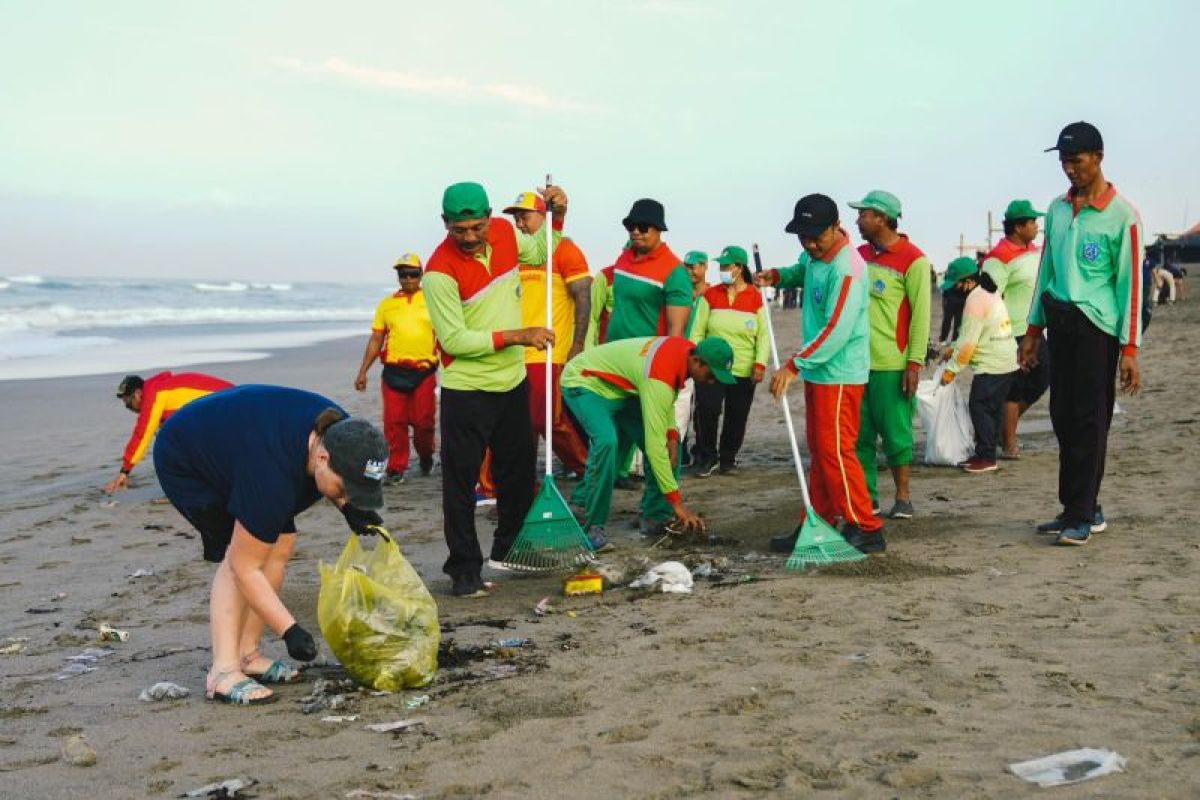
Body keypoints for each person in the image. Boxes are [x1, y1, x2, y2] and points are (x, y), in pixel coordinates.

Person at [153, 385, 389, 705]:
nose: (349, 493)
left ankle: (248, 654)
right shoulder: (271, 477)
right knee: (237, 559)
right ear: (321, 458)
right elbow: (243, 567)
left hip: (249, 445)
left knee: (280, 544)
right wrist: (288, 629)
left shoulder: (345, 435)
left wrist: (349, 507)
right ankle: (223, 671)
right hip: (188, 457)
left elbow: (336, 475)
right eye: (348, 489)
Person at [422, 181, 559, 597]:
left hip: (512, 382)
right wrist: (517, 336)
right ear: (445, 223)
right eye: (458, 229)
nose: (468, 237)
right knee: (460, 484)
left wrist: (555, 217)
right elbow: (454, 341)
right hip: (467, 390)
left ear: (487, 221)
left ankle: (512, 547)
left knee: (517, 474)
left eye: (476, 228)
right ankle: (464, 569)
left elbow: (539, 252)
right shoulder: (437, 273)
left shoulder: (504, 232)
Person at [1024, 121, 1143, 546]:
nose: (1069, 169)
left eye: (1076, 160)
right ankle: (1079, 506)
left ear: (1098, 158)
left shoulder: (1122, 215)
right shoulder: (1057, 210)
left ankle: (1082, 514)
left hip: (1097, 329)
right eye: (1063, 162)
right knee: (1062, 417)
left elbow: (1130, 286)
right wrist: (1032, 330)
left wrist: (1129, 348)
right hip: (1060, 322)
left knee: (1090, 420)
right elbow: (1045, 272)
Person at [756, 194, 885, 555]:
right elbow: (802, 269)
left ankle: (866, 526)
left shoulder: (849, 269)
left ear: (835, 227)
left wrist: (794, 365)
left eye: (816, 237)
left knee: (837, 452)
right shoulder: (814, 255)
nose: (810, 244)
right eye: (803, 237)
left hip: (841, 373)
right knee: (821, 450)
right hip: (820, 371)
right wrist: (777, 276)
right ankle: (819, 521)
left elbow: (836, 330)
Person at [575, 200, 693, 535]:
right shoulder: (625, 258)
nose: (636, 232)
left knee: (662, 442)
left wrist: (667, 380)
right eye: (631, 227)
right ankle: (586, 501)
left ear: (659, 230)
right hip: (614, 368)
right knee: (609, 442)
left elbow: (675, 337)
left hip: (647, 372)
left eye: (644, 227)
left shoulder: (674, 274)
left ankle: (655, 511)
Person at [562, 335, 735, 543]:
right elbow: (655, 448)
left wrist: (671, 434)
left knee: (673, 444)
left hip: (623, 390)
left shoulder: (686, 351)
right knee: (607, 442)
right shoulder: (661, 375)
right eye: (711, 375)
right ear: (697, 361)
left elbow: (667, 396)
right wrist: (678, 505)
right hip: (584, 381)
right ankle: (592, 525)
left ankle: (655, 516)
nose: (712, 381)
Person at [849, 190, 931, 519]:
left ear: (882, 218)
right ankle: (867, 498)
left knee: (896, 435)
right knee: (860, 436)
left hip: (891, 364)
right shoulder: (856, 256)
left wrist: (914, 364)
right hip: (856, 363)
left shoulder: (914, 259)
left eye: (864, 214)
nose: (858, 220)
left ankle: (903, 497)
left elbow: (921, 317)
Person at [503, 190, 591, 479]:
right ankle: (524, 481)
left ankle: (588, 468)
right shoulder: (515, 255)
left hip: (549, 351)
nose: (519, 224)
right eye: (515, 218)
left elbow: (583, 296)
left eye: (524, 217)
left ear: (544, 216)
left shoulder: (564, 250)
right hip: (515, 349)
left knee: (547, 418)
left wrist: (577, 345)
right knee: (520, 423)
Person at [354, 253, 437, 483]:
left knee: (423, 423)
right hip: (393, 372)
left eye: (413, 274)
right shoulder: (387, 305)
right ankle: (396, 468)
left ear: (421, 275)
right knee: (394, 424)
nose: (408, 279)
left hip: (424, 371)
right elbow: (376, 340)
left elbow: (448, 334)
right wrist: (363, 371)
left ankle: (426, 455)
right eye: (403, 274)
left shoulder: (433, 300)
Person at [688, 245, 768, 476]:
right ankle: (706, 455)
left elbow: (763, 336)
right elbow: (697, 331)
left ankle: (728, 457)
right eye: (720, 265)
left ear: (740, 268)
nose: (722, 270)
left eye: (726, 266)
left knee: (737, 415)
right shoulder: (710, 296)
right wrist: (698, 358)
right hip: (711, 367)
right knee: (707, 410)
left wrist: (760, 363)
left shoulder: (756, 298)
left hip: (743, 367)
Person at [938, 257, 1019, 473]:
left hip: (993, 363)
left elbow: (968, 344)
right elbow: (971, 334)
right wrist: (952, 348)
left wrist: (950, 371)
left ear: (967, 281)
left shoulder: (974, 300)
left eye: (956, 284)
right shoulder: (987, 291)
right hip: (1007, 359)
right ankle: (986, 452)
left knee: (979, 407)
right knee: (992, 409)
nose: (954, 289)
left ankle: (986, 456)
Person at [982, 200, 1048, 460]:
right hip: (1012, 332)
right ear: (1018, 227)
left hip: (1035, 328)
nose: (1036, 226)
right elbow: (988, 295)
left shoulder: (1034, 250)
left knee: (1042, 379)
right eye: (1032, 222)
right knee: (1016, 388)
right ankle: (1008, 444)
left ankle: (999, 428)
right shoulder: (998, 258)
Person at [105, 371, 233, 494]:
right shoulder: (159, 389)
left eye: (128, 402)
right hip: (222, 405)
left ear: (138, 394)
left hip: (228, 405)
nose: (128, 408)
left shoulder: (153, 394)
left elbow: (142, 434)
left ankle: (191, 489)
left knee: (174, 449)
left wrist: (125, 471)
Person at [677, 250, 711, 468]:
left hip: (705, 357)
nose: (690, 270)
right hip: (682, 355)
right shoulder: (680, 292)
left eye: (694, 266)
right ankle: (680, 450)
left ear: (704, 267)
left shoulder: (712, 293)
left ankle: (702, 450)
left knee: (704, 406)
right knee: (681, 407)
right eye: (687, 266)